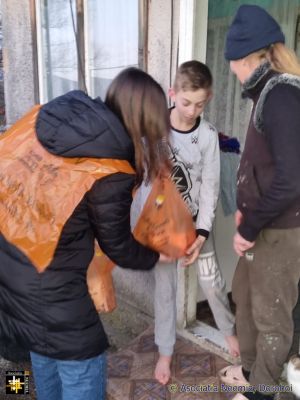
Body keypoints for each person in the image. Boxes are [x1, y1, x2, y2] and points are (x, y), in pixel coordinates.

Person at [0, 67, 172, 400]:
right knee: (83, 358)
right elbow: (117, 245)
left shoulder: (44, 122)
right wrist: (155, 255)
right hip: (47, 282)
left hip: (10, 266)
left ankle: (27, 389)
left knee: (40, 347)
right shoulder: (110, 169)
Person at [134, 60, 239, 386]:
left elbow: (209, 186)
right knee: (165, 290)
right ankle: (165, 350)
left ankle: (229, 332)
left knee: (212, 279)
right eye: (186, 102)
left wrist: (203, 232)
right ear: (173, 93)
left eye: (201, 104)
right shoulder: (152, 128)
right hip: (163, 229)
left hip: (196, 227)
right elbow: (141, 179)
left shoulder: (207, 136)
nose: (193, 110)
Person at [219, 5, 300, 400]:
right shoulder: (265, 91)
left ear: (247, 58)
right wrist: (244, 210)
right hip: (261, 225)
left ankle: (261, 392)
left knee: (272, 315)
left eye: (232, 62)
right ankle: (251, 370)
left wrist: (249, 227)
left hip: (281, 231)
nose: (232, 70)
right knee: (244, 296)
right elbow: (263, 166)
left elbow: (291, 179)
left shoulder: (283, 94)